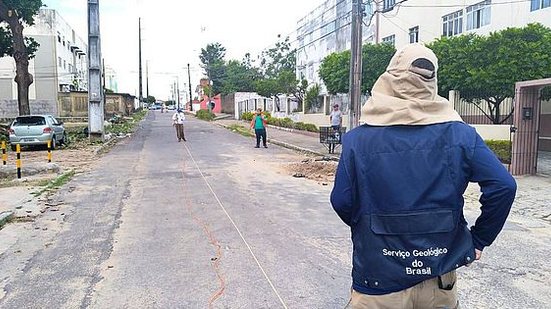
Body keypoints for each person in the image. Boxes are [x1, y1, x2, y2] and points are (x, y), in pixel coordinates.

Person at [330, 44, 516, 309]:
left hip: (378, 281)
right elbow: (504, 186)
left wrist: (373, 228)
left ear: (391, 78)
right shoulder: (461, 135)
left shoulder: (358, 141)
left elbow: (342, 201)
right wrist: (478, 240)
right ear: (432, 81)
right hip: (439, 280)